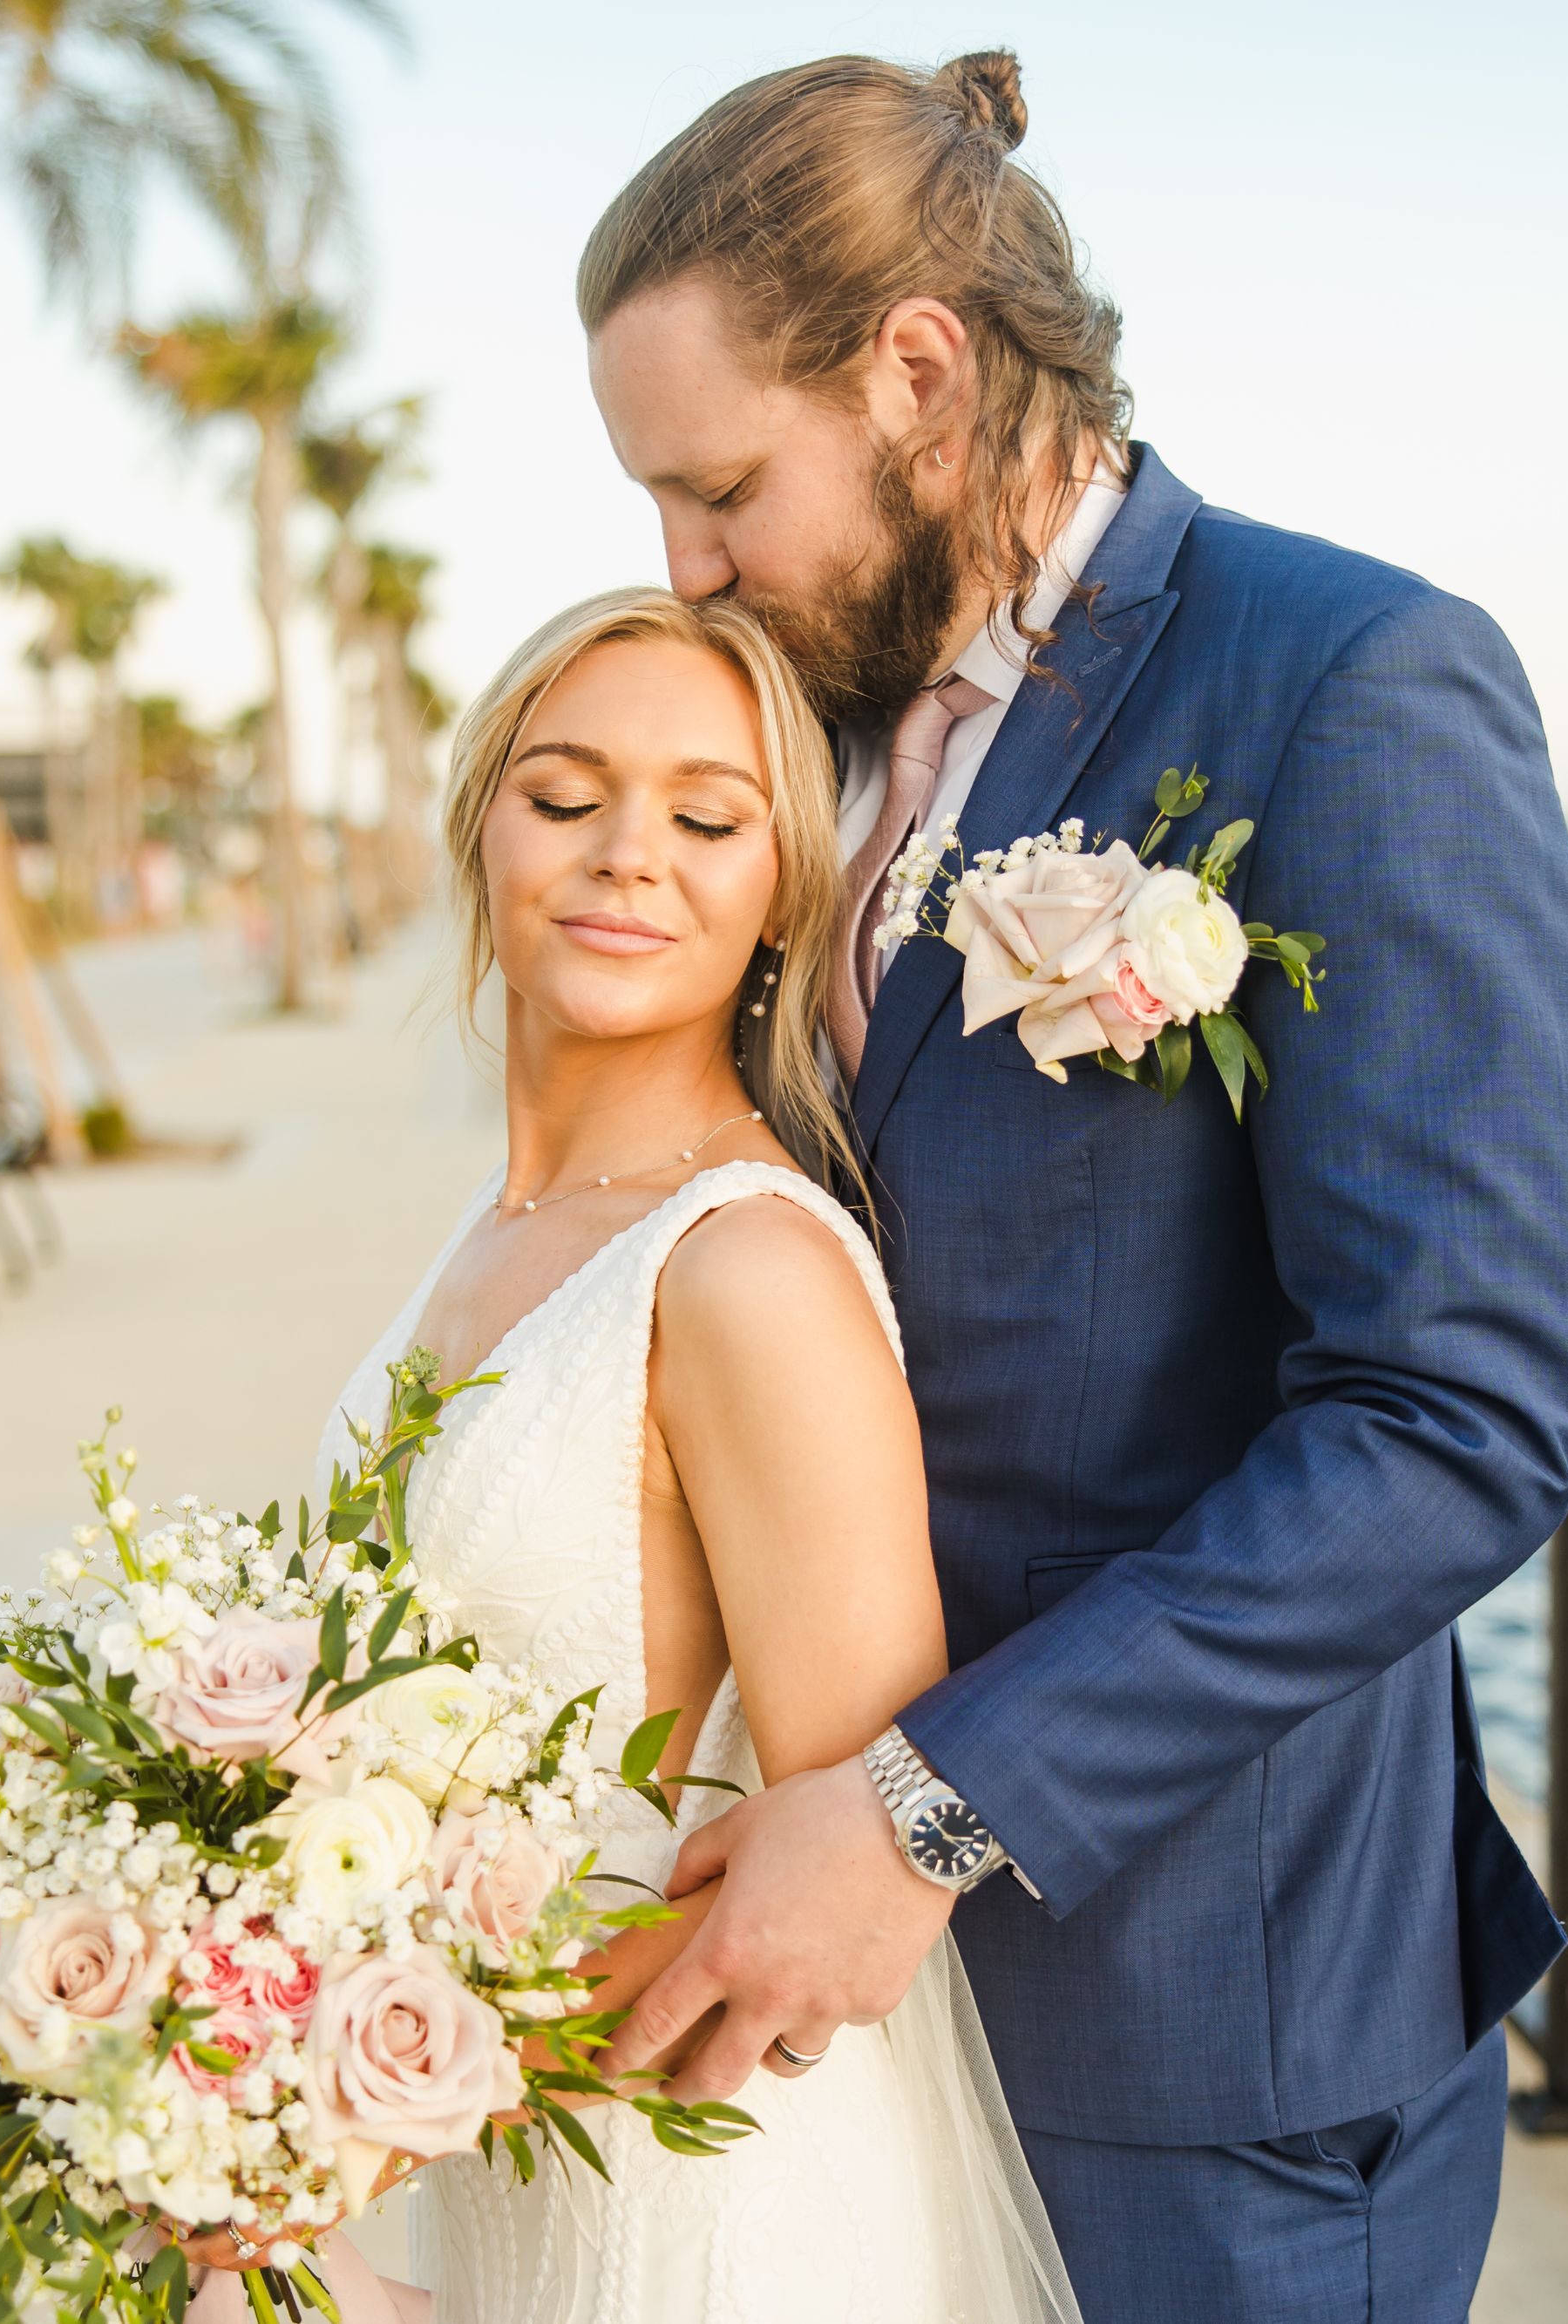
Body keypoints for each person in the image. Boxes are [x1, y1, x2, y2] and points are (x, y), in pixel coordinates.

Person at [575, 48, 1568, 2323]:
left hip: (1200, 2058)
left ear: (919, 370)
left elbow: (1460, 1418)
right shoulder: (800, 739)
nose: (684, 563)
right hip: (833, 2039)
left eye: (721, 483)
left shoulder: (1352, 683)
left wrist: (937, 1805)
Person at [301, 588, 1078, 2323]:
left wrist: (284, 2114)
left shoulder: (746, 1268)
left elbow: (827, 1936)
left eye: (706, 817)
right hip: (509, 2164)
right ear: (478, 830)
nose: (626, 855)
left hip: (707, 2217)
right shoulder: (498, 1230)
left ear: (781, 891)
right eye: (565, 797)